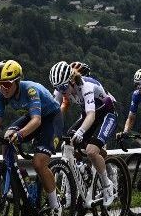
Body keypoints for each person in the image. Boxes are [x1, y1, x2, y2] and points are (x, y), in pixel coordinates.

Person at [0, 59, 64, 216]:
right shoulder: (1, 94)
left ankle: (55, 205)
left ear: (17, 81)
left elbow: (37, 121)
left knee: (39, 163)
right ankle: (14, 178)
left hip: (51, 118)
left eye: (7, 84)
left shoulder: (30, 90)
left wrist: (21, 134)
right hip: (33, 117)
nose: (3, 88)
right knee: (6, 137)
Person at [50, 60, 118, 206]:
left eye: (63, 87)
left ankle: (107, 186)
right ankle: (71, 191)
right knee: (68, 144)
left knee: (92, 151)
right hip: (88, 115)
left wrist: (81, 132)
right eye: (57, 88)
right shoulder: (60, 88)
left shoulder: (86, 86)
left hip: (106, 115)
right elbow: (53, 112)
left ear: (72, 81)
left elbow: (91, 116)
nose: (61, 91)